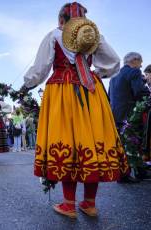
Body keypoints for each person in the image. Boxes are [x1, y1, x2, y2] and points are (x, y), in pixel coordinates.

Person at [22, 2, 128, 218]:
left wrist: (28, 84)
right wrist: (97, 75)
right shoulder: (94, 35)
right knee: (92, 140)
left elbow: (40, 68)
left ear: (61, 19)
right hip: (91, 90)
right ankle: (89, 203)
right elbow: (114, 62)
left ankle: (69, 204)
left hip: (62, 91)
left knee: (66, 141)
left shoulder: (54, 35)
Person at [109, 52, 150, 182]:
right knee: (134, 142)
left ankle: (126, 173)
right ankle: (136, 173)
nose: (141, 65)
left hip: (116, 114)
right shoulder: (134, 72)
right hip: (130, 113)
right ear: (134, 60)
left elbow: (110, 96)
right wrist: (147, 93)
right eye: (140, 62)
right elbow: (139, 92)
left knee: (122, 145)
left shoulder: (114, 75)